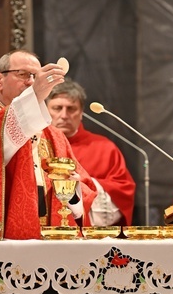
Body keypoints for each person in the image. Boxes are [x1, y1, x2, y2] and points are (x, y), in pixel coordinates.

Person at [0, 50, 97, 240]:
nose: (31, 82)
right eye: (23, 74)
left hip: (49, 236)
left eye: (36, 76)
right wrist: (34, 95)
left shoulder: (54, 135)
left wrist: (71, 189)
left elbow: (83, 187)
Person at [46, 78, 136, 226]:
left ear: (81, 113)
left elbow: (123, 192)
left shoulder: (105, 149)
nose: (64, 115)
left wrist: (85, 184)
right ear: (46, 110)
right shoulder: (34, 146)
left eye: (71, 109)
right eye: (57, 108)